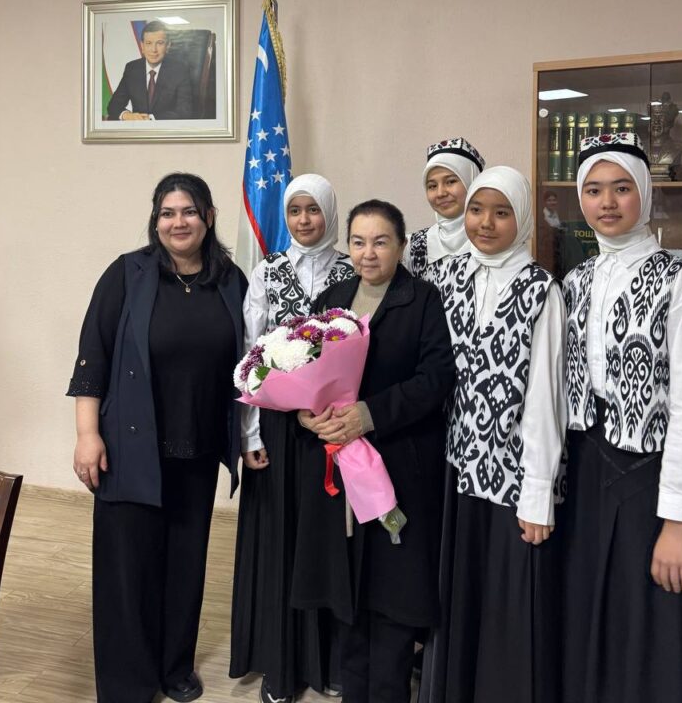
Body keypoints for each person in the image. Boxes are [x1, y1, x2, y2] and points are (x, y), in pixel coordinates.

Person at [67, 172, 247, 703]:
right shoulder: (127, 274)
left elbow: (250, 361)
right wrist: (87, 434)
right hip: (129, 447)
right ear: (155, 220)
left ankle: (175, 668)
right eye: (167, 213)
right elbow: (92, 357)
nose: (177, 222)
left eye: (188, 211)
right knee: (129, 569)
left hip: (197, 448)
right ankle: (128, 682)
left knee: (185, 564)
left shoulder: (230, 279)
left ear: (209, 217)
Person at [560, 132, 682, 703]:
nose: (606, 202)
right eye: (593, 190)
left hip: (645, 476)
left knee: (643, 619)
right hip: (583, 472)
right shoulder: (576, 280)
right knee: (585, 611)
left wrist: (678, 518)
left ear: (645, 195)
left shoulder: (676, 280)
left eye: (621, 188)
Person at [291, 200, 456, 703]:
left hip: (398, 468)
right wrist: (306, 414)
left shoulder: (423, 300)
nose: (368, 253)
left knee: (391, 599)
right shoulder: (333, 299)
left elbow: (435, 380)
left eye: (381, 242)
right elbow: (305, 372)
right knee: (348, 597)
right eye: (359, 242)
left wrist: (370, 414)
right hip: (340, 472)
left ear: (401, 246)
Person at [420, 166, 566, 703]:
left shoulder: (541, 289)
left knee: (506, 601)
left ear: (521, 219)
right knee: (456, 593)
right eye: (477, 210)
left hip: (511, 474)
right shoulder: (446, 277)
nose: (485, 223)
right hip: (453, 467)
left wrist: (538, 491)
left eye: (501, 213)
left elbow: (547, 397)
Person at [230, 174, 354, 703]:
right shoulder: (268, 271)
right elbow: (250, 351)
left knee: (330, 544)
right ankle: (281, 663)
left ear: (330, 212)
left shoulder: (352, 269)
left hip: (336, 427)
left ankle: (331, 660)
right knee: (281, 542)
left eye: (314, 209)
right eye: (295, 211)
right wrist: (250, 433)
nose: (305, 220)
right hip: (279, 429)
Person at [405, 137, 485, 280]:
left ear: (472, 182)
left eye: (451, 181)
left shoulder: (491, 241)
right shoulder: (412, 247)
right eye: (432, 186)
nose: (440, 193)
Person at [106, 20, 194, 120]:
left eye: (160, 43)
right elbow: (113, 105)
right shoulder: (132, 68)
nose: (153, 50)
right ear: (142, 46)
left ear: (168, 46)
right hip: (137, 128)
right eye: (148, 43)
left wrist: (150, 118)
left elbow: (185, 111)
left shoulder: (180, 70)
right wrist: (127, 115)